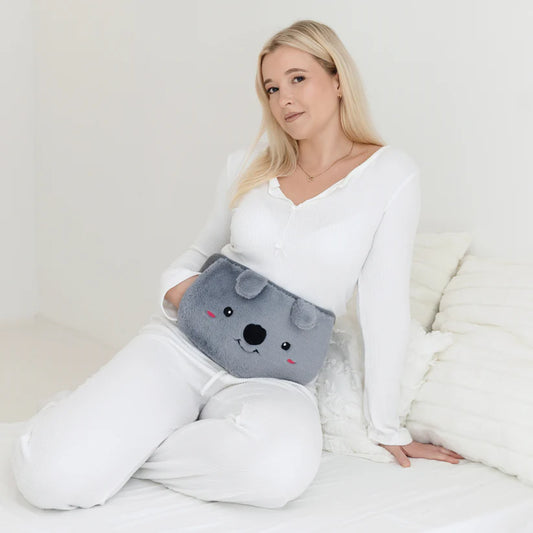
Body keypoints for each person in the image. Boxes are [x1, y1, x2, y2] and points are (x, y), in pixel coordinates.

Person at [11, 19, 463, 512]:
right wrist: (177, 289)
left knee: (277, 473)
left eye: (297, 78)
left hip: (277, 375)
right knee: (49, 479)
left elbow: (384, 305)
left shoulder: (391, 174)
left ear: (337, 80)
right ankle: (90, 435)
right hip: (187, 344)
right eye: (272, 88)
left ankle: (126, 447)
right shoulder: (249, 164)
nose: (284, 99)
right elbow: (195, 255)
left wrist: (386, 427)